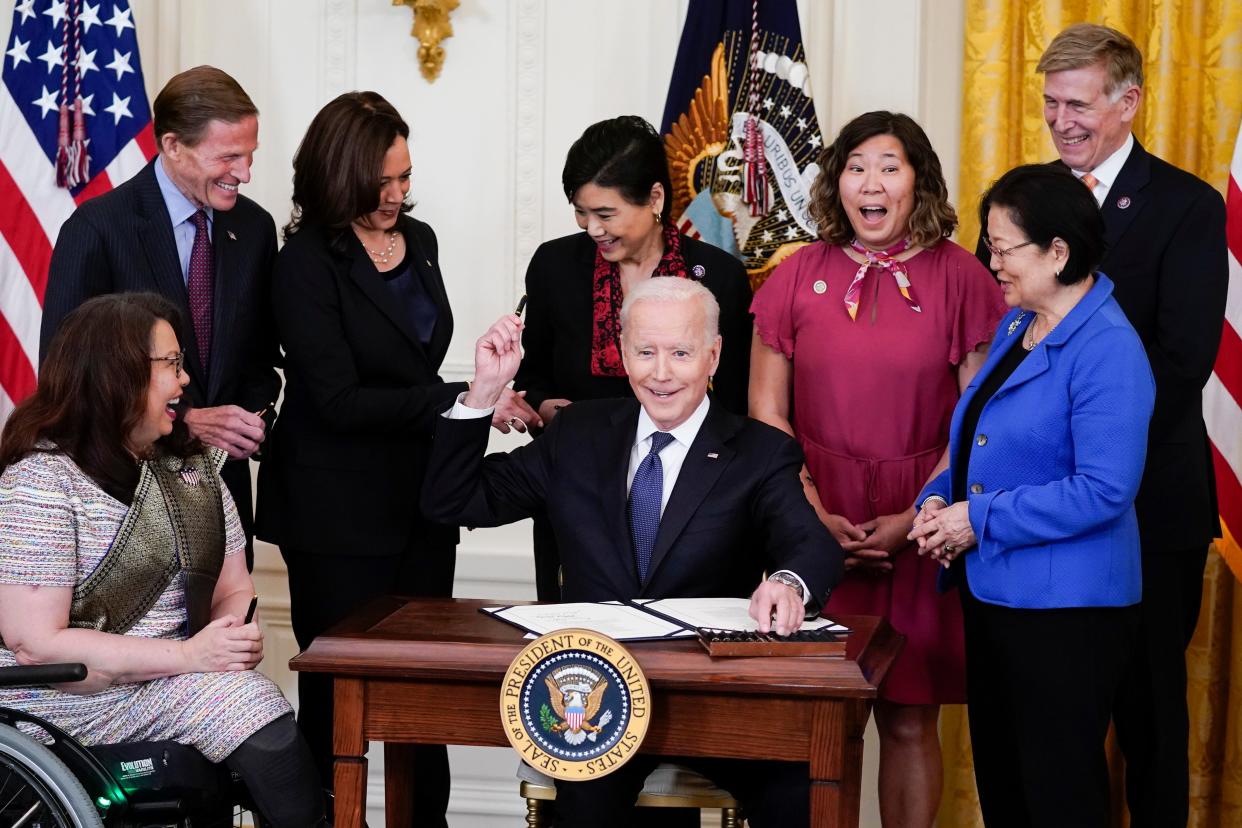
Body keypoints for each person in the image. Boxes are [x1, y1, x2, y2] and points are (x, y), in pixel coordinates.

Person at [422, 277, 843, 828]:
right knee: (584, 810)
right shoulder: (577, 433)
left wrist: (788, 581)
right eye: (645, 352)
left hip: (715, 698)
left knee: (799, 793)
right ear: (623, 353)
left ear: (713, 355)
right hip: (597, 700)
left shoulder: (760, 453)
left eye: (681, 353)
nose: (661, 373)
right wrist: (482, 392)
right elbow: (454, 501)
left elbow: (811, 545)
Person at [254, 90, 537, 825]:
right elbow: (339, 401)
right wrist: (463, 399)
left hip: (421, 498)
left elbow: (415, 368)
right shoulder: (305, 262)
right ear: (338, 175)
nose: (397, 195)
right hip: (334, 513)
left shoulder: (424, 240)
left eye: (405, 177)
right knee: (334, 697)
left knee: (423, 690)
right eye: (382, 182)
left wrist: (478, 397)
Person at [970, 25, 1229, 825]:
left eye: (1077, 103)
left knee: (1148, 717)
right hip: (1033, 521)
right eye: (1049, 102)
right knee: (1038, 740)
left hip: (1147, 507)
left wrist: (1075, 394)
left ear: (1129, 102)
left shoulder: (1187, 205)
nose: (1060, 120)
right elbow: (1007, 345)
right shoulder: (1029, 198)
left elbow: (1184, 359)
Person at [749, 110, 1005, 826]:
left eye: (889, 167)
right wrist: (811, 516)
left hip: (923, 523)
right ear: (836, 181)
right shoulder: (796, 274)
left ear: (917, 180)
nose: (871, 183)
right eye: (856, 166)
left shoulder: (964, 278)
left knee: (909, 717)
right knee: (817, 722)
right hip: (811, 518)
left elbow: (979, 425)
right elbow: (766, 416)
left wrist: (914, 518)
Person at [0, 293, 325, 828]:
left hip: (170, 680)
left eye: (181, 365)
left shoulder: (192, 472)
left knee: (247, 698)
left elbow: (233, 588)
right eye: (170, 366)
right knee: (246, 707)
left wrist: (233, 634)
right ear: (115, 375)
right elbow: (38, 645)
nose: (183, 384)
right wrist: (194, 657)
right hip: (67, 698)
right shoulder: (41, 482)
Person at [912, 163, 1155, 826]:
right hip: (998, 596)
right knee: (1006, 787)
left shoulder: (1108, 346)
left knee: (1057, 796)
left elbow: (1104, 491)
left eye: (1002, 248)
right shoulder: (1022, 325)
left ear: (1057, 251)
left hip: (1067, 613)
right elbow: (979, 432)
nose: (990, 263)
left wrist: (976, 519)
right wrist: (937, 500)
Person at [40, 66, 281, 565]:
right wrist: (185, 418)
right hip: (124, 500)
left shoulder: (255, 229)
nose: (245, 172)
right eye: (228, 157)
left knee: (230, 640)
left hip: (224, 503)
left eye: (250, 155)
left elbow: (260, 358)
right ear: (173, 145)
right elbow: (65, 379)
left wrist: (249, 418)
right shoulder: (97, 229)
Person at [513, 115, 753, 602]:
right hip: (579, 502)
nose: (591, 228)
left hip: (694, 508)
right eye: (581, 212)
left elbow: (736, 409)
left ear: (656, 199)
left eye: (605, 213)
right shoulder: (555, 267)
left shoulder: (720, 277)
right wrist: (544, 409)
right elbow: (531, 375)